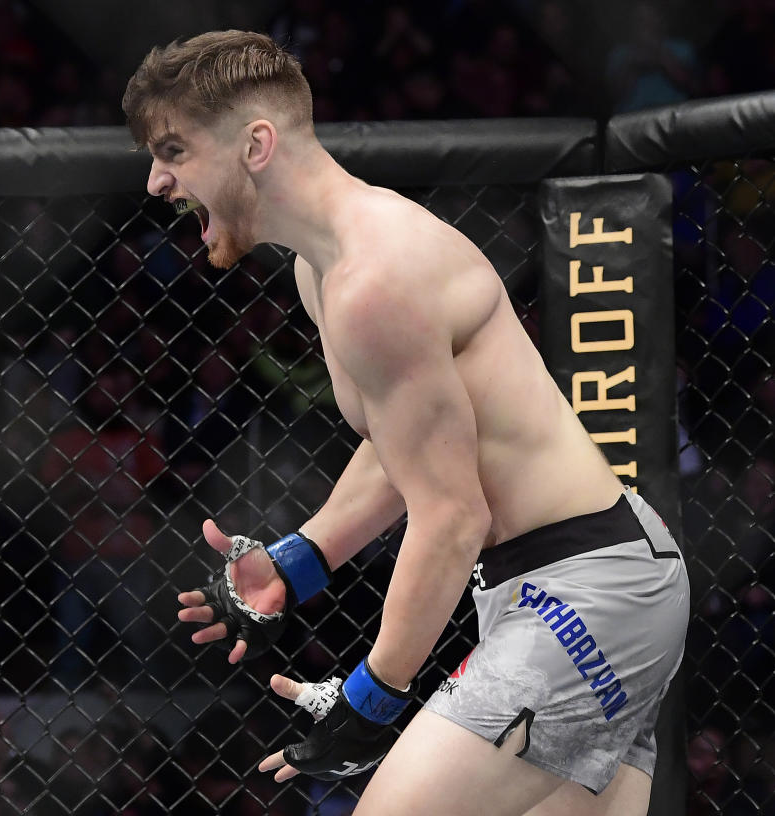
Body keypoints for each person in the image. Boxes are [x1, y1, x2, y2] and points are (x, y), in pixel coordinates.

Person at [122, 30, 689, 816]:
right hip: (586, 582)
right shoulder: (324, 269)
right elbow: (408, 450)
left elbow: (454, 516)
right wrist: (301, 561)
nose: (155, 181)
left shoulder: (373, 281)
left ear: (255, 144)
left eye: (174, 149)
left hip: (580, 598)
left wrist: (371, 696)